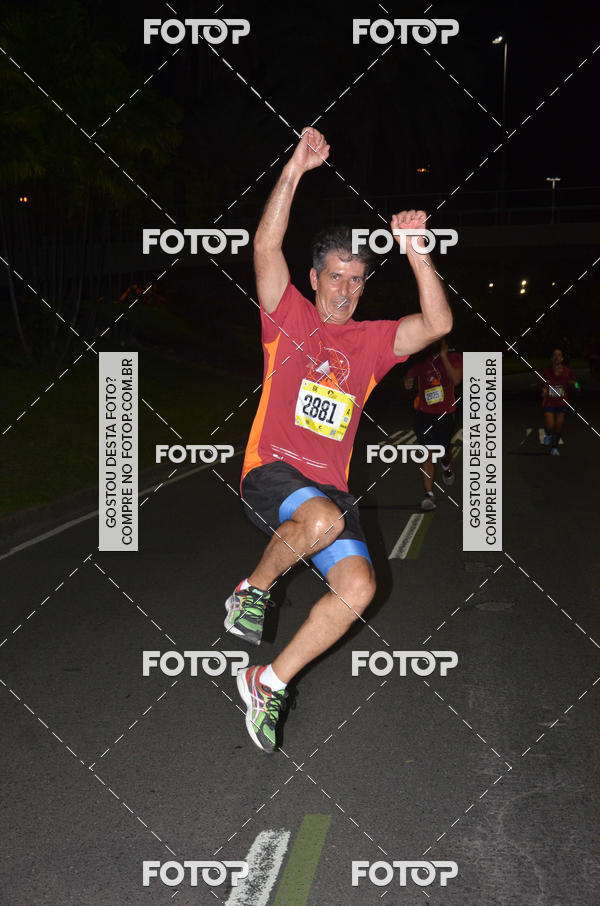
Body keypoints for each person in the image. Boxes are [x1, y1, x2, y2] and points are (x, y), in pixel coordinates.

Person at [224, 127, 453, 753]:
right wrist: (295, 169)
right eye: (335, 277)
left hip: (328, 490)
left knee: (358, 588)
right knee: (320, 520)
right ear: (314, 276)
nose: (345, 291)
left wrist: (416, 251)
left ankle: (267, 681)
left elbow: (437, 323)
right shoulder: (288, 316)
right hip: (271, 470)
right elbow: (262, 245)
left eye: (356, 280)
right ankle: (252, 590)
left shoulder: (373, 342)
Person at [403, 339, 462, 509]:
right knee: (427, 452)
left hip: (445, 414)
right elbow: (409, 374)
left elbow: (456, 379)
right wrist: (408, 380)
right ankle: (429, 494)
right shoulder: (423, 361)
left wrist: (444, 356)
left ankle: (445, 463)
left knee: (443, 450)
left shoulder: (455, 358)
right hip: (424, 414)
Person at [541, 347, 575, 456]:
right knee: (551, 426)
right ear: (552, 358)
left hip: (562, 402)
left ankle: (554, 448)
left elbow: (574, 382)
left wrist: (577, 386)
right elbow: (543, 386)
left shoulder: (567, 371)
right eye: (554, 355)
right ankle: (548, 433)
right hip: (549, 402)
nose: (557, 357)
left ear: (562, 358)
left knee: (558, 427)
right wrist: (544, 391)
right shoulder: (546, 371)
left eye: (559, 355)